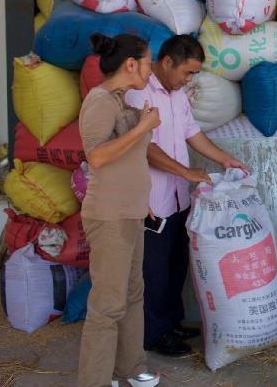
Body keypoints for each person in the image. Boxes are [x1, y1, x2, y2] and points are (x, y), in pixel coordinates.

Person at [124, 35, 244, 357]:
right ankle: (155, 333)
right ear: (167, 62)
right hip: (153, 201)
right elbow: (143, 146)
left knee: (177, 264)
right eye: (187, 72)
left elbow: (193, 134)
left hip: (178, 198)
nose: (189, 80)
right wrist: (187, 173)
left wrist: (223, 158)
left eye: (194, 74)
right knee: (155, 271)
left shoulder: (177, 96)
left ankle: (173, 322)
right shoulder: (139, 94)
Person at [77, 34, 161, 387]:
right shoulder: (99, 101)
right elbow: (96, 156)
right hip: (109, 216)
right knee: (107, 305)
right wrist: (142, 127)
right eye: (147, 62)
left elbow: (129, 161)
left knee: (132, 294)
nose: (151, 70)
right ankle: (94, 381)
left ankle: (129, 367)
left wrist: (145, 203)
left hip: (129, 213)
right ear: (131, 64)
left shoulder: (121, 103)